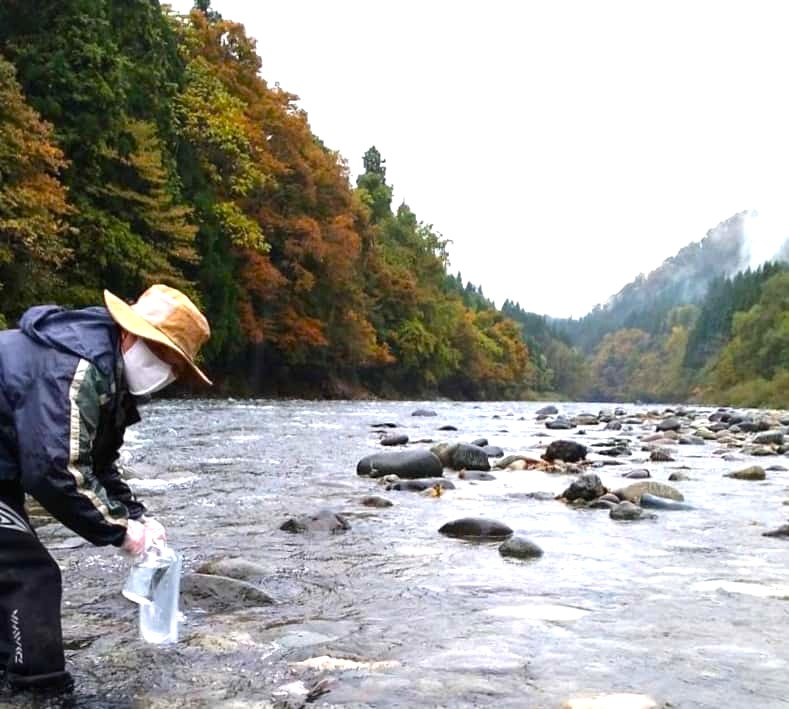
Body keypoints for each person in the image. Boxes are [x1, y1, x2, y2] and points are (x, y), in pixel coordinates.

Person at [0, 284, 211, 696]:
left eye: (176, 367)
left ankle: (10, 674)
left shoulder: (108, 375)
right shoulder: (78, 367)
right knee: (30, 576)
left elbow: (96, 463)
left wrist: (137, 514)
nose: (168, 373)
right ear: (133, 334)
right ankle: (41, 693)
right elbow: (54, 471)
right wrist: (118, 530)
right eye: (165, 357)